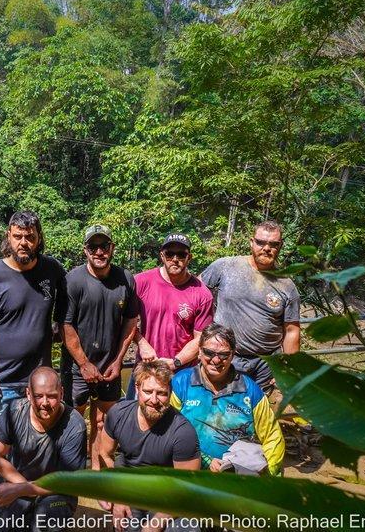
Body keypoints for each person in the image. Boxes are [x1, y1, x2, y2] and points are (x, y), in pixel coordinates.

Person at [0, 211, 67, 495]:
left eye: (30, 237)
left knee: (39, 449)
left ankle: (34, 503)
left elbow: (63, 317)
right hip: (2, 384)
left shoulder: (52, 271)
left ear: (39, 239)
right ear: (9, 237)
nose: (24, 243)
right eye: (18, 236)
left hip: (39, 386)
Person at [61, 224, 138, 469]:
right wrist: (83, 363)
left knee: (104, 422)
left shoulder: (125, 279)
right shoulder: (73, 280)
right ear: (85, 250)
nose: (99, 252)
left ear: (112, 248)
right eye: (93, 247)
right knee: (72, 421)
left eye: (104, 246)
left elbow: (130, 321)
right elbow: (66, 325)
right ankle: (72, 474)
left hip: (109, 367)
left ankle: (98, 474)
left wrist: (118, 361)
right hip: (77, 367)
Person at [98, 360, 200, 532]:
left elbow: (186, 490)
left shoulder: (183, 432)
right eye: (147, 391)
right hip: (129, 488)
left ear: (170, 393)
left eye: (161, 393)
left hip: (169, 495)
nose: (154, 400)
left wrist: (153, 526)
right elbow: (104, 454)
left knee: (186, 528)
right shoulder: (118, 413)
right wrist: (116, 496)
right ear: (137, 389)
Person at [171, 323, 285, 475]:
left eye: (224, 354)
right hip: (189, 471)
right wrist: (205, 460)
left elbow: (273, 436)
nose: (216, 360)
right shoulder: (181, 383)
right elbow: (168, 429)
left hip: (236, 477)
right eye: (209, 352)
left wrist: (266, 474)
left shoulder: (250, 391)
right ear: (199, 352)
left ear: (233, 354)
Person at [200, 220, 301, 391]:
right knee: (224, 407)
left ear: (280, 246)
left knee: (258, 411)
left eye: (273, 244)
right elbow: (194, 295)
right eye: (261, 242)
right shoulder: (225, 266)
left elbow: (291, 330)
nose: (266, 248)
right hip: (225, 359)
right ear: (251, 242)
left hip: (266, 364)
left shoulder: (287, 286)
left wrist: (288, 370)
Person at [0, 367, 87, 532]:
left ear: (61, 393)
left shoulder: (75, 425)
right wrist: (23, 487)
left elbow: (69, 483)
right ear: (28, 393)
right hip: (19, 483)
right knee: (1, 526)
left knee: (43, 523)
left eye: (52, 396)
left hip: (56, 493)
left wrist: (22, 489)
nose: (44, 403)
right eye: (38, 396)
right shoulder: (14, 411)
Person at [125, 234, 213, 400]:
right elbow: (124, 319)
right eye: (170, 253)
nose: (175, 259)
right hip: (145, 367)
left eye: (181, 254)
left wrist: (175, 362)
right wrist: (142, 343)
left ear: (189, 258)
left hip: (183, 373)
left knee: (178, 421)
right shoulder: (141, 282)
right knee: (135, 418)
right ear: (162, 256)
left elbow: (201, 338)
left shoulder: (202, 293)